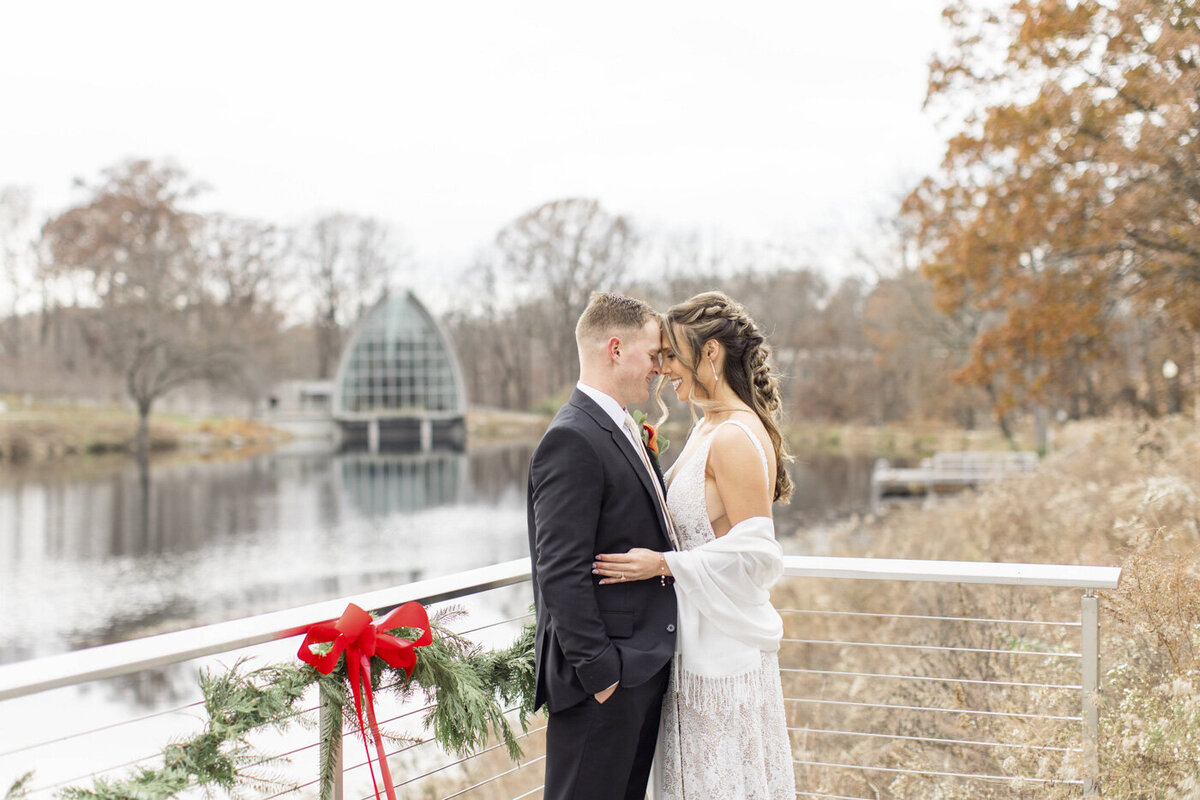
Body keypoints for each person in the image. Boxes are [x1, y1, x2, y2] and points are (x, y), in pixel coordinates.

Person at [593, 291, 795, 799]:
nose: (663, 369)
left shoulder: (733, 437)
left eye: (672, 355)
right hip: (692, 644)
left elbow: (756, 555)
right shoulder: (709, 425)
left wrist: (663, 563)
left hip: (722, 660)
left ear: (710, 354)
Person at [527, 291, 679, 800]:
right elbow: (560, 570)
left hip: (637, 671)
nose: (659, 368)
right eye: (653, 354)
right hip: (604, 683)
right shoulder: (572, 438)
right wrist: (601, 675)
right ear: (615, 348)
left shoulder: (620, 428)